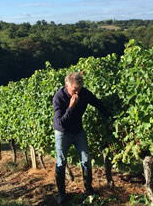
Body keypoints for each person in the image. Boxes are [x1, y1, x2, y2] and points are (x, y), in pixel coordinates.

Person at [53, 71, 111, 204]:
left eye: (79, 89)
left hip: (78, 131)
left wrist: (111, 117)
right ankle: (61, 194)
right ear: (66, 85)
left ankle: (89, 189)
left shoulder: (83, 93)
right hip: (63, 132)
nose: (77, 93)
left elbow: (97, 103)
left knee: (86, 159)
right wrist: (71, 107)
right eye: (74, 90)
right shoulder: (59, 97)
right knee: (61, 162)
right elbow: (60, 122)